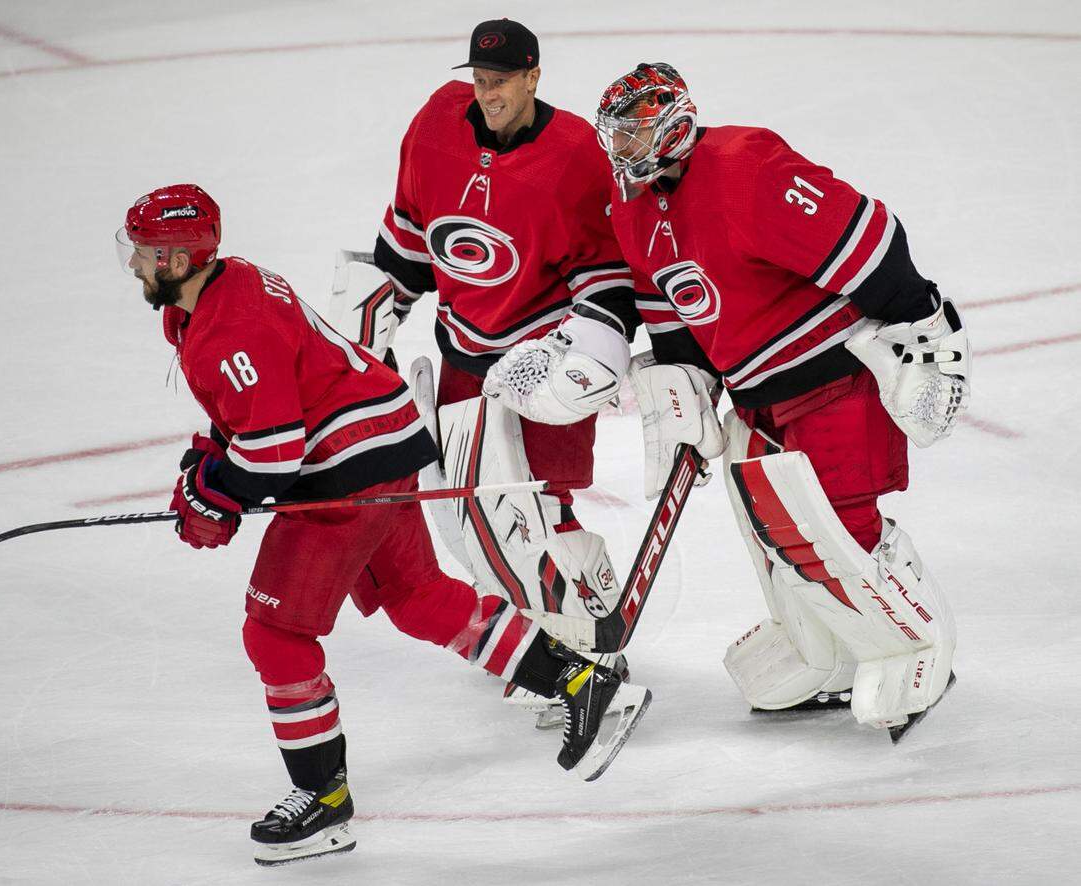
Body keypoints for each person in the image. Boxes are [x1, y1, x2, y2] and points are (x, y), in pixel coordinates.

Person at [115, 184, 651, 865]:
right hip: (382, 440)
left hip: (350, 468)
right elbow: (260, 415)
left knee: (275, 631)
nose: (134, 265)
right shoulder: (221, 290)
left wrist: (213, 494)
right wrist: (211, 469)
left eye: (145, 253)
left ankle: (323, 802)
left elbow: (274, 453)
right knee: (419, 598)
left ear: (180, 259)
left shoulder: (228, 329)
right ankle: (580, 680)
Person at [504, 63, 970, 740]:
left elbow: (866, 241)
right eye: (618, 138)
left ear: (674, 124)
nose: (621, 152)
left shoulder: (748, 167)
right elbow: (669, 311)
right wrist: (684, 385)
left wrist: (923, 322)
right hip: (754, 397)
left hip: (831, 380)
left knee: (839, 529)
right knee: (776, 535)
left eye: (634, 135)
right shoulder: (633, 205)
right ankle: (823, 654)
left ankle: (916, 646)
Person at [364, 18, 641, 722]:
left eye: (501, 83)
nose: (487, 95)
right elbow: (407, 242)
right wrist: (373, 328)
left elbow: (608, 277)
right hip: (463, 359)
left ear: (533, 76)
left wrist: (590, 354)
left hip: (542, 360)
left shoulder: (577, 152)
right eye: (479, 82)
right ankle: (543, 643)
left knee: (542, 509)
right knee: (474, 521)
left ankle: (599, 644)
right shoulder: (435, 125)